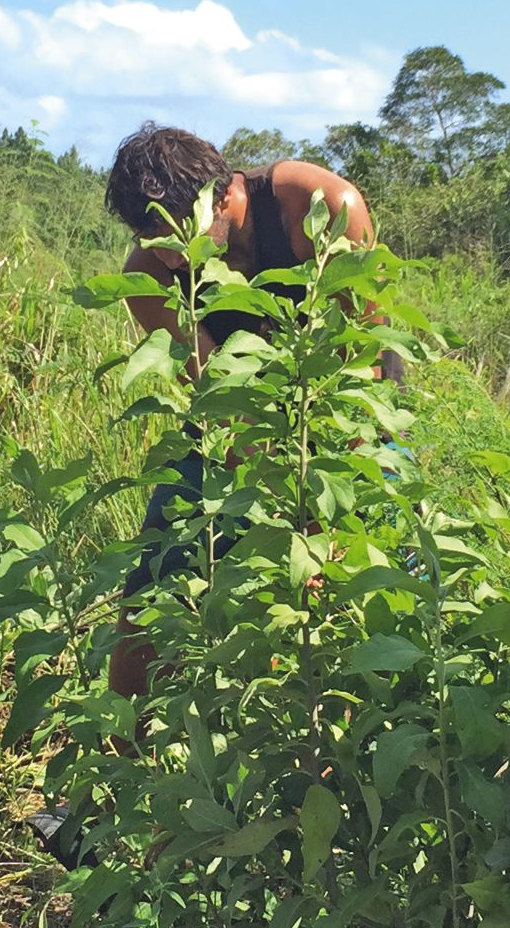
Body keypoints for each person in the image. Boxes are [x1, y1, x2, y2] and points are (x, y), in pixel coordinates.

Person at [103, 123, 396, 702]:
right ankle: (119, 765)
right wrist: (277, 507)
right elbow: (217, 394)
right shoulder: (150, 275)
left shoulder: (317, 206)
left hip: (346, 414)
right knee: (151, 583)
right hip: (232, 421)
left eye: (174, 230)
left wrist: (321, 517)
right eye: (147, 234)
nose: (164, 250)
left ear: (221, 195)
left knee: (377, 580)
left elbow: (366, 363)